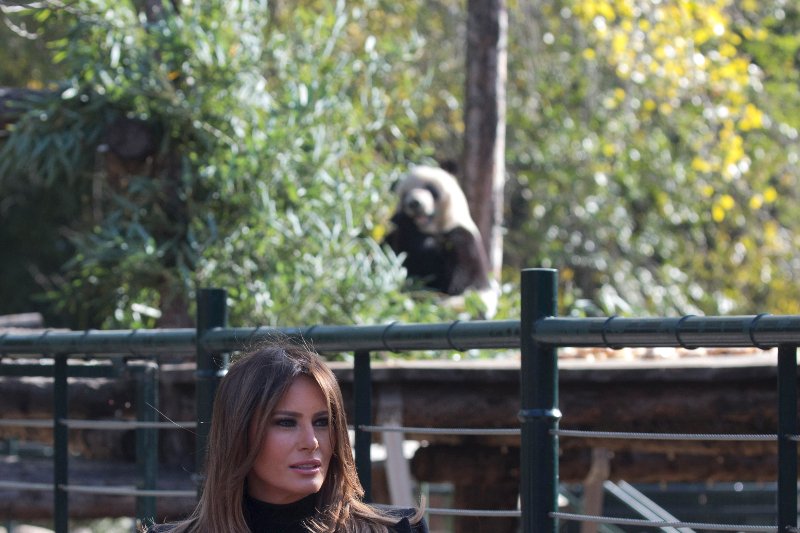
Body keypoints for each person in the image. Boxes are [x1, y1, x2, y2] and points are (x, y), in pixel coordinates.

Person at [150, 338, 427, 533]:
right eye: (286, 423)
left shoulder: (400, 529)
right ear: (238, 433)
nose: (311, 442)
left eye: (322, 422)